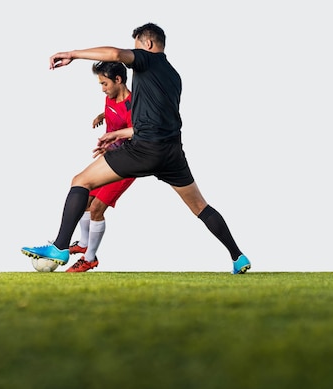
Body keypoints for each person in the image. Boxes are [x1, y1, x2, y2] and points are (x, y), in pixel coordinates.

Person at [22, 22, 251, 274]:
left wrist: (73, 54)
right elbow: (153, 117)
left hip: (144, 150)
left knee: (80, 181)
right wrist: (119, 132)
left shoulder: (147, 60)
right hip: (173, 153)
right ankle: (238, 256)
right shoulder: (174, 76)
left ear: (148, 44)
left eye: (137, 46)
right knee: (200, 207)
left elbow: (116, 55)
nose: (134, 53)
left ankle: (60, 247)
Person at [66, 61, 135, 273]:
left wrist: (113, 144)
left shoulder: (134, 106)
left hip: (127, 164)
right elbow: (114, 112)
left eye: (105, 84)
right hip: (109, 159)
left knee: (96, 209)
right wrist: (102, 115)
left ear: (118, 80)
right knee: (84, 197)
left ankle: (90, 258)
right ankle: (84, 243)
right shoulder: (110, 98)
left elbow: (137, 131)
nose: (103, 89)